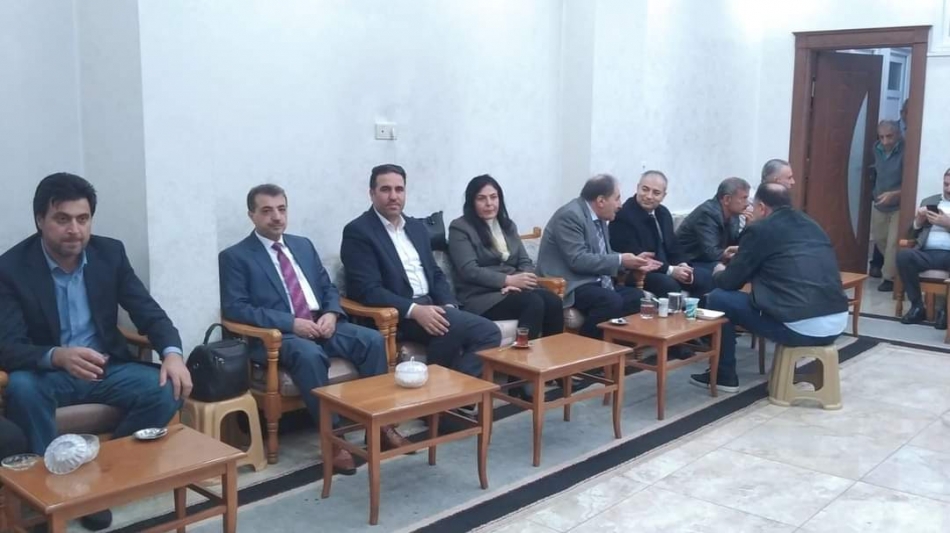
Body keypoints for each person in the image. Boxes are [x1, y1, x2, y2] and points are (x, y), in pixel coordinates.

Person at [0, 173, 191, 531]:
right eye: (62, 219)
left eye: (82, 219)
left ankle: (98, 481)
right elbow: (8, 346)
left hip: (106, 368)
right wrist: (57, 355)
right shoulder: (11, 268)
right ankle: (48, 494)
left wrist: (173, 353)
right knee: (22, 390)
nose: (74, 229)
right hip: (48, 374)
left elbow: (149, 313)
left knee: (168, 388)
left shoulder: (110, 254)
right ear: (40, 220)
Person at [219, 184, 409, 476]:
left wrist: (332, 313)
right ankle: (333, 440)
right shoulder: (236, 256)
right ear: (251, 215)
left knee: (372, 340)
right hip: (280, 336)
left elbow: (327, 287)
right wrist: (290, 323)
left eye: (281, 209)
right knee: (309, 355)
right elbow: (237, 308)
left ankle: (381, 426)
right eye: (267, 211)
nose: (276, 217)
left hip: (322, 323)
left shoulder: (303, 245)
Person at [341, 164, 501, 379]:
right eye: (385, 189)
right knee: (464, 329)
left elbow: (435, 273)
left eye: (399, 189)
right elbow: (368, 290)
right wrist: (415, 310)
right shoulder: (358, 231)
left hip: (432, 306)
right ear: (372, 194)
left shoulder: (416, 227)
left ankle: (451, 391)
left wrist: (448, 304)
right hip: (396, 316)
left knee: (485, 332)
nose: (393, 196)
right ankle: (444, 393)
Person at [691, 183, 848, 392]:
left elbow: (730, 282)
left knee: (718, 298)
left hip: (800, 328)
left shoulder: (760, 229)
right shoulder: (812, 225)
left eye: (753, 206)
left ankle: (723, 375)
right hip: (837, 323)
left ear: (762, 208)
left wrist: (719, 270)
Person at [536, 174, 661, 339]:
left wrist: (633, 261)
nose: (620, 205)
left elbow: (603, 254)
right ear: (601, 201)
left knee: (636, 297)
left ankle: (615, 346)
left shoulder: (600, 217)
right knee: (610, 301)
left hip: (595, 281)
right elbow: (578, 260)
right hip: (570, 283)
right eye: (617, 199)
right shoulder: (570, 216)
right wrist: (621, 260)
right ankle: (586, 349)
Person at [447, 175, 564, 340]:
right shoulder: (460, 228)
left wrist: (520, 281)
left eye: (493, 197)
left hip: (513, 291)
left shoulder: (508, 226)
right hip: (480, 297)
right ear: (471, 202)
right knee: (533, 302)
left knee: (553, 301)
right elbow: (469, 270)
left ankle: (553, 354)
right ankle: (522, 354)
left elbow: (524, 262)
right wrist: (507, 281)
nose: (489, 203)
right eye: (481, 198)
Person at [610, 170, 713, 298]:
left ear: (664, 195)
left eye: (656, 193)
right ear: (637, 188)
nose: (649, 196)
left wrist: (682, 264)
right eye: (645, 189)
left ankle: (693, 310)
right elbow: (636, 256)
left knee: (704, 277)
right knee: (669, 285)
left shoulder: (663, 213)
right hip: (639, 271)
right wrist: (670, 270)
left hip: (666, 266)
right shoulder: (623, 215)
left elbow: (674, 246)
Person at [897, 167, 950, 329]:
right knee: (904, 256)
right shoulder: (930, 202)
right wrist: (918, 222)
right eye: (946, 184)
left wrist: (947, 224)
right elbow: (910, 234)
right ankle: (917, 307)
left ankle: (946, 311)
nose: (948, 189)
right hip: (926, 253)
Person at [676, 177, 751, 272]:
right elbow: (710, 252)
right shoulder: (707, 214)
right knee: (728, 271)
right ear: (727, 199)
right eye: (744, 198)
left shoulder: (734, 214)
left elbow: (734, 244)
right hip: (689, 262)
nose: (747, 204)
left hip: (711, 259)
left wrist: (748, 227)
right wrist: (729, 254)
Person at [870, 119, 904, 292]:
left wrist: (894, 194)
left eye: (889, 136)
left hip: (899, 205)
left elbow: (911, 179)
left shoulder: (906, 150)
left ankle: (889, 278)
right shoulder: (876, 148)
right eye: (881, 137)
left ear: (897, 134)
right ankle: (893, 269)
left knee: (892, 243)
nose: (885, 141)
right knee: (880, 239)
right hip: (879, 203)